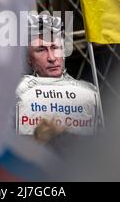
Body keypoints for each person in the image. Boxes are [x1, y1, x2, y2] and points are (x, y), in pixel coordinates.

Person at [15, 14, 104, 144]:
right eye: (41, 50)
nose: (52, 57)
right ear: (28, 58)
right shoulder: (17, 93)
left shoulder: (89, 93)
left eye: (55, 48)